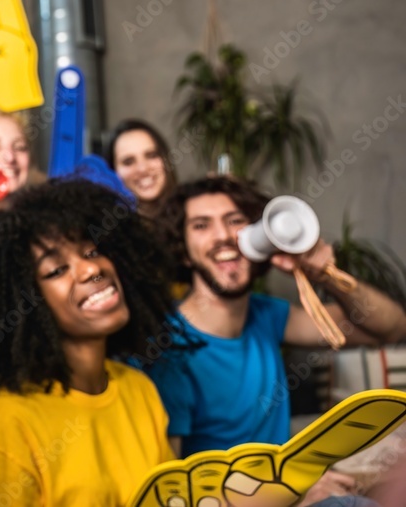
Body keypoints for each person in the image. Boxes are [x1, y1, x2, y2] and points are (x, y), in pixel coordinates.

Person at [148, 176, 406, 505]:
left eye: (235, 221)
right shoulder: (168, 350)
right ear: (183, 253)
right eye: (201, 225)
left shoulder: (267, 317)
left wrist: (324, 274)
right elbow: (175, 497)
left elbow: (392, 327)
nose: (224, 236)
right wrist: (295, 493)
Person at [0, 179, 181, 506]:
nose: (91, 268)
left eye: (92, 251)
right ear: (19, 302)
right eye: (57, 270)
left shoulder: (140, 390)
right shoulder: (2, 423)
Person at [104, 118, 176, 218]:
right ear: (113, 171)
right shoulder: (104, 228)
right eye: (128, 162)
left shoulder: (191, 216)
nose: (143, 169)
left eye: (151, 155)